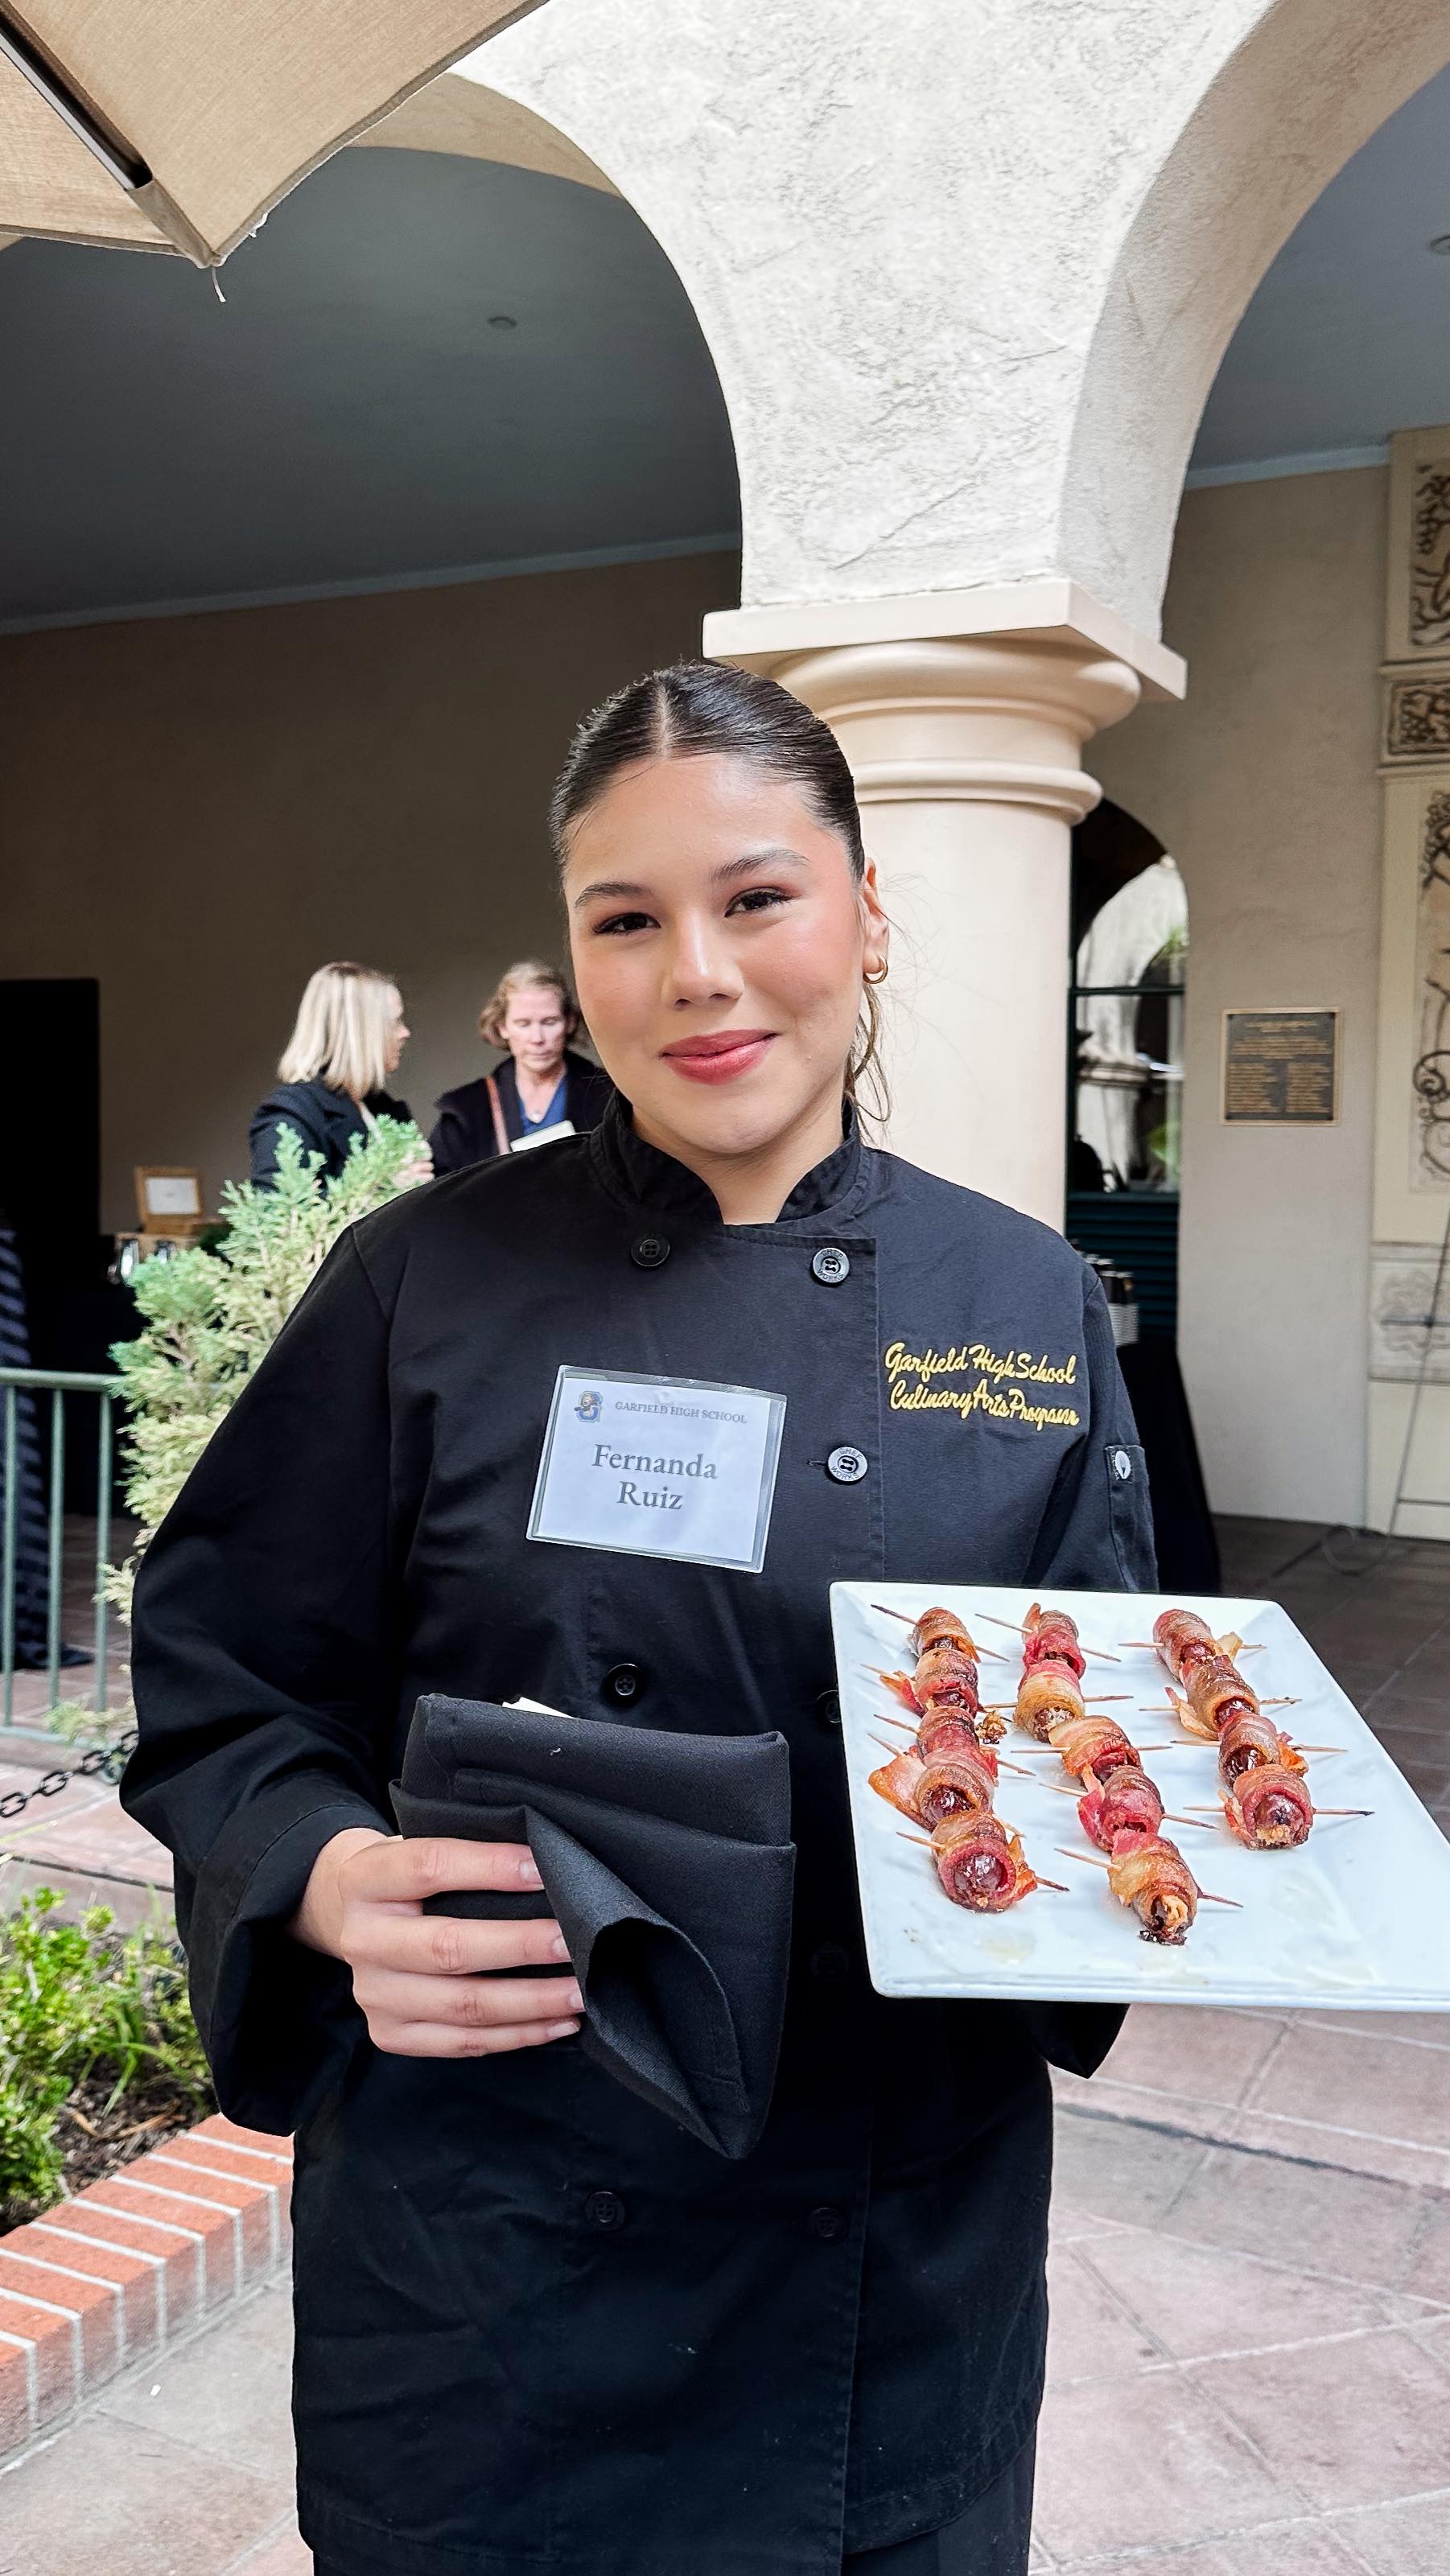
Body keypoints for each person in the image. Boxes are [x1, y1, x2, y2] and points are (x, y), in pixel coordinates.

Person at [124, 660, 1155, 2576]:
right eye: (625, 917)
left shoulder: (1022, 1303)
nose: (696, 970)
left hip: (890, 2270)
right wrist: (324, 1869)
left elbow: (1105, 1717)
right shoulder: (418, 1284)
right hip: (502, 2266)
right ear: (574, 957)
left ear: (863, 913)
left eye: (756, 896)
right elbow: (219, 1669)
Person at [430, 957, 612, 1171]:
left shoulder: (608, 1094)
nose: (537, 1038)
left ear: (570, 1023)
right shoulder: (468, 1109)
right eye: (523, 1024)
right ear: (502, 1027)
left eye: (549, 1022)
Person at [249, 961, 418, 1187]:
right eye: (394, 1022)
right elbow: (279, 1209)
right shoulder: (292, 1112)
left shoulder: (382, 1107)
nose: (405, 1033)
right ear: (358, 1033)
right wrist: (383, 1186)